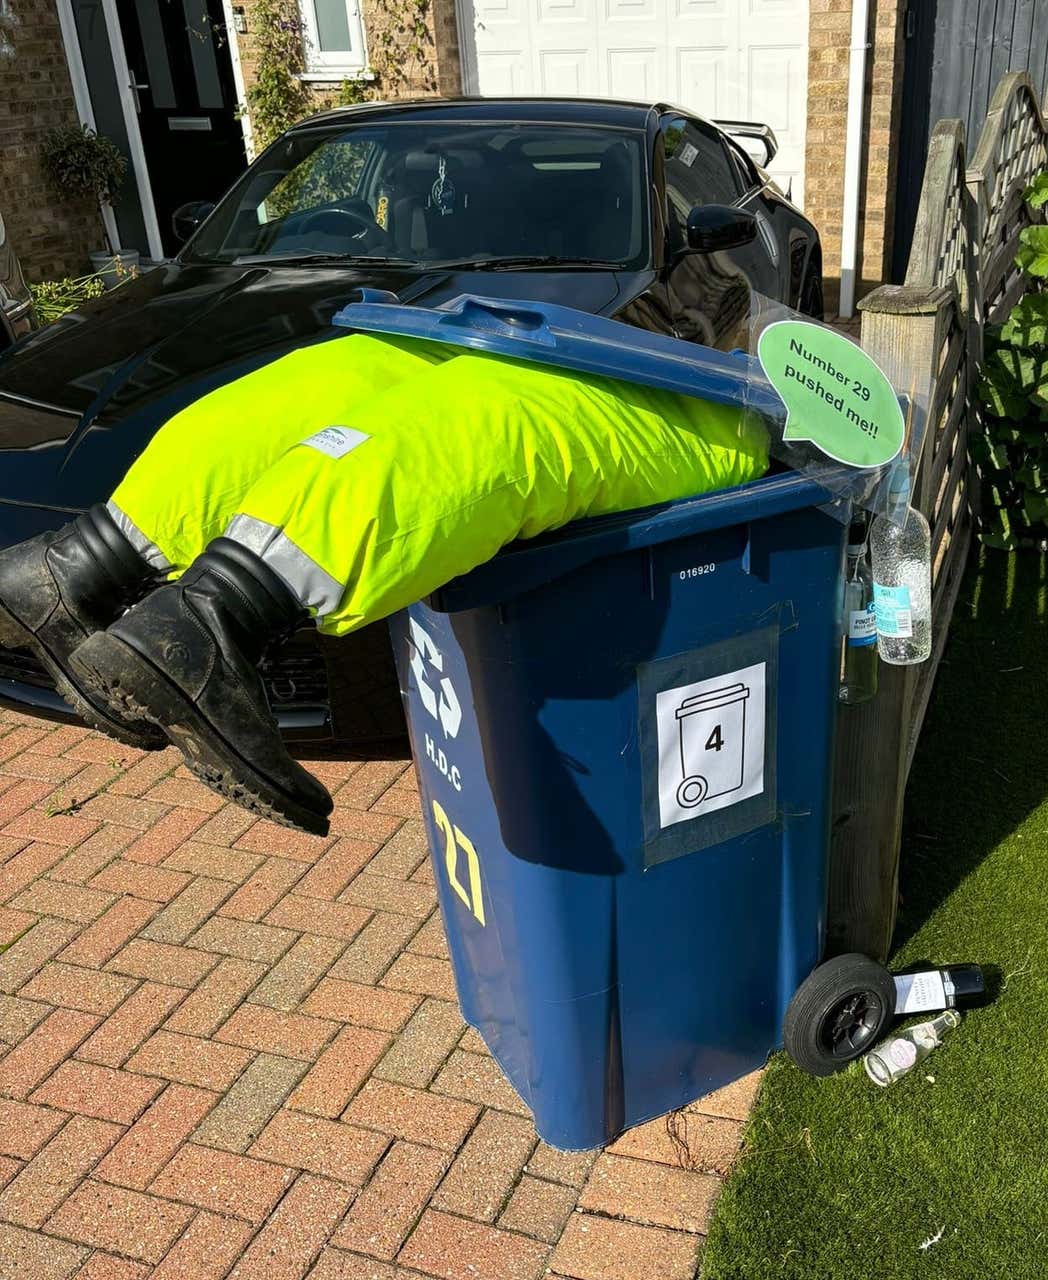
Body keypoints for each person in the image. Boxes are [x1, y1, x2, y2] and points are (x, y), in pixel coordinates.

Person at [0, 330, 768, 834]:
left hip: (465, 326)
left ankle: (74, 566)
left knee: (369, 373)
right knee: (520, 415)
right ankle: (213, 618)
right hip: (655, 378)